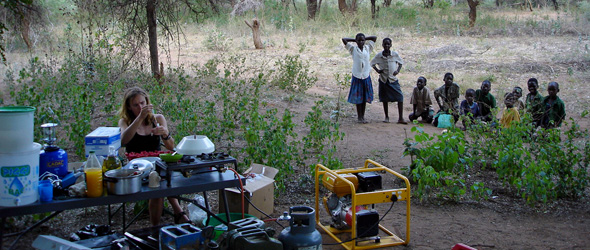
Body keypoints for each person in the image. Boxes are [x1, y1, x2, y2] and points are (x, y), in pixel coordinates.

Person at [118, 87, 189, 226]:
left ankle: (158, 226)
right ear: (129, 107)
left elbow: (170, 146)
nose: (140, 107)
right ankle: (178, 213)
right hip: (136, 165)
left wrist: (165, 134)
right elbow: (123, 141)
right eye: (136, 105)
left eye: (143, 103)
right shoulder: (125, 121)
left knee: (159, 178)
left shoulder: (157, 118)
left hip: (157, 162)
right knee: (158, 181)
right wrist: (139, 118)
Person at [342, 33, 377, 123]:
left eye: (362, 40)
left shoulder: (368, 48)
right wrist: (355, 40)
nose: (361, 42)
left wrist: (364, 38)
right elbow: (344, 39)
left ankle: (363, 116)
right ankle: (359, 117)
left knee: (364, 98)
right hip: (357, 76)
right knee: (358, 98)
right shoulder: (353, 49)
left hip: (365, 75)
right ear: (356, 41)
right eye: (359, 40)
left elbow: (374, 37)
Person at [370, 38, 407, 124]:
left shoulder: (394, 55)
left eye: (388, 44)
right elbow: (372, 63)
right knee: (384, 99)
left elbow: (400, 63)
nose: (386, 46)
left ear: (391, 45)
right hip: (383, 80)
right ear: (382, 45)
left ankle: (400, 118)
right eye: (385, 44)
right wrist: (377, 70)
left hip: (393, 80)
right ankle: (386, 117)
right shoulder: (379, 56)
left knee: (400, 97)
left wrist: (397, 71)